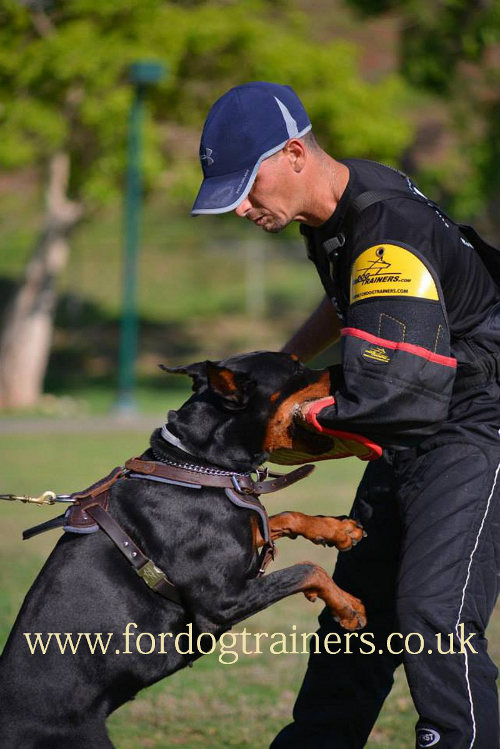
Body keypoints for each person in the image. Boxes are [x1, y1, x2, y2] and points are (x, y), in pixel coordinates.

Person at [192, 81, 500, 749]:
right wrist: (285, 366)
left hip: (475, 420)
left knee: (432, 611)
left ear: (295, 153)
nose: (242, 207)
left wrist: (289, 423)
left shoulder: (390, 226)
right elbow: (352, 299)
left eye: (248, 186)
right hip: (421, 421)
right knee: (356, 616)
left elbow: (398, 393)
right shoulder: (337, 212)